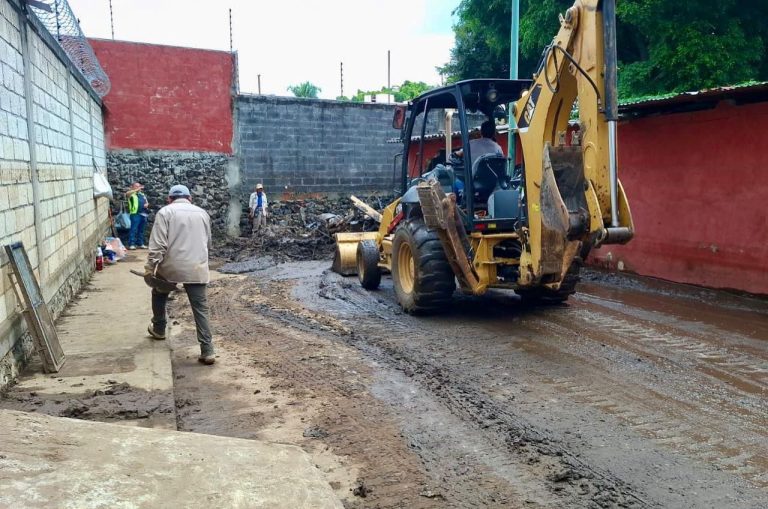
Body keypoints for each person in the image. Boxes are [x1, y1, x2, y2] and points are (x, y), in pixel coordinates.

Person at [144, 184, 216, 365]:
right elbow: (208, 243)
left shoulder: (164, 212)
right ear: (190, 198)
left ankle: (159, 328)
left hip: (171, 267)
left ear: (169, 199)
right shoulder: (202, 213)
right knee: (200, 308)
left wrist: (150, 267)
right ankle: (208, 350)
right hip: (196, 267)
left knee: (159, 293)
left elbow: (158, 244)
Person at [126, 182, 150, 249]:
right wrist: (137, 189)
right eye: (136, 186)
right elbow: (127, 194)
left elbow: (147, 202)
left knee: (141, 230)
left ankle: (140, 243)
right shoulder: (131, 194)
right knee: (133, 229)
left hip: (143, 214)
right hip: (135, 214)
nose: (138, 187)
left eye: (139, 186)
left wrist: (147, 204)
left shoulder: (142, 194)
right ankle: (131, 244)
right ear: (132, 187)